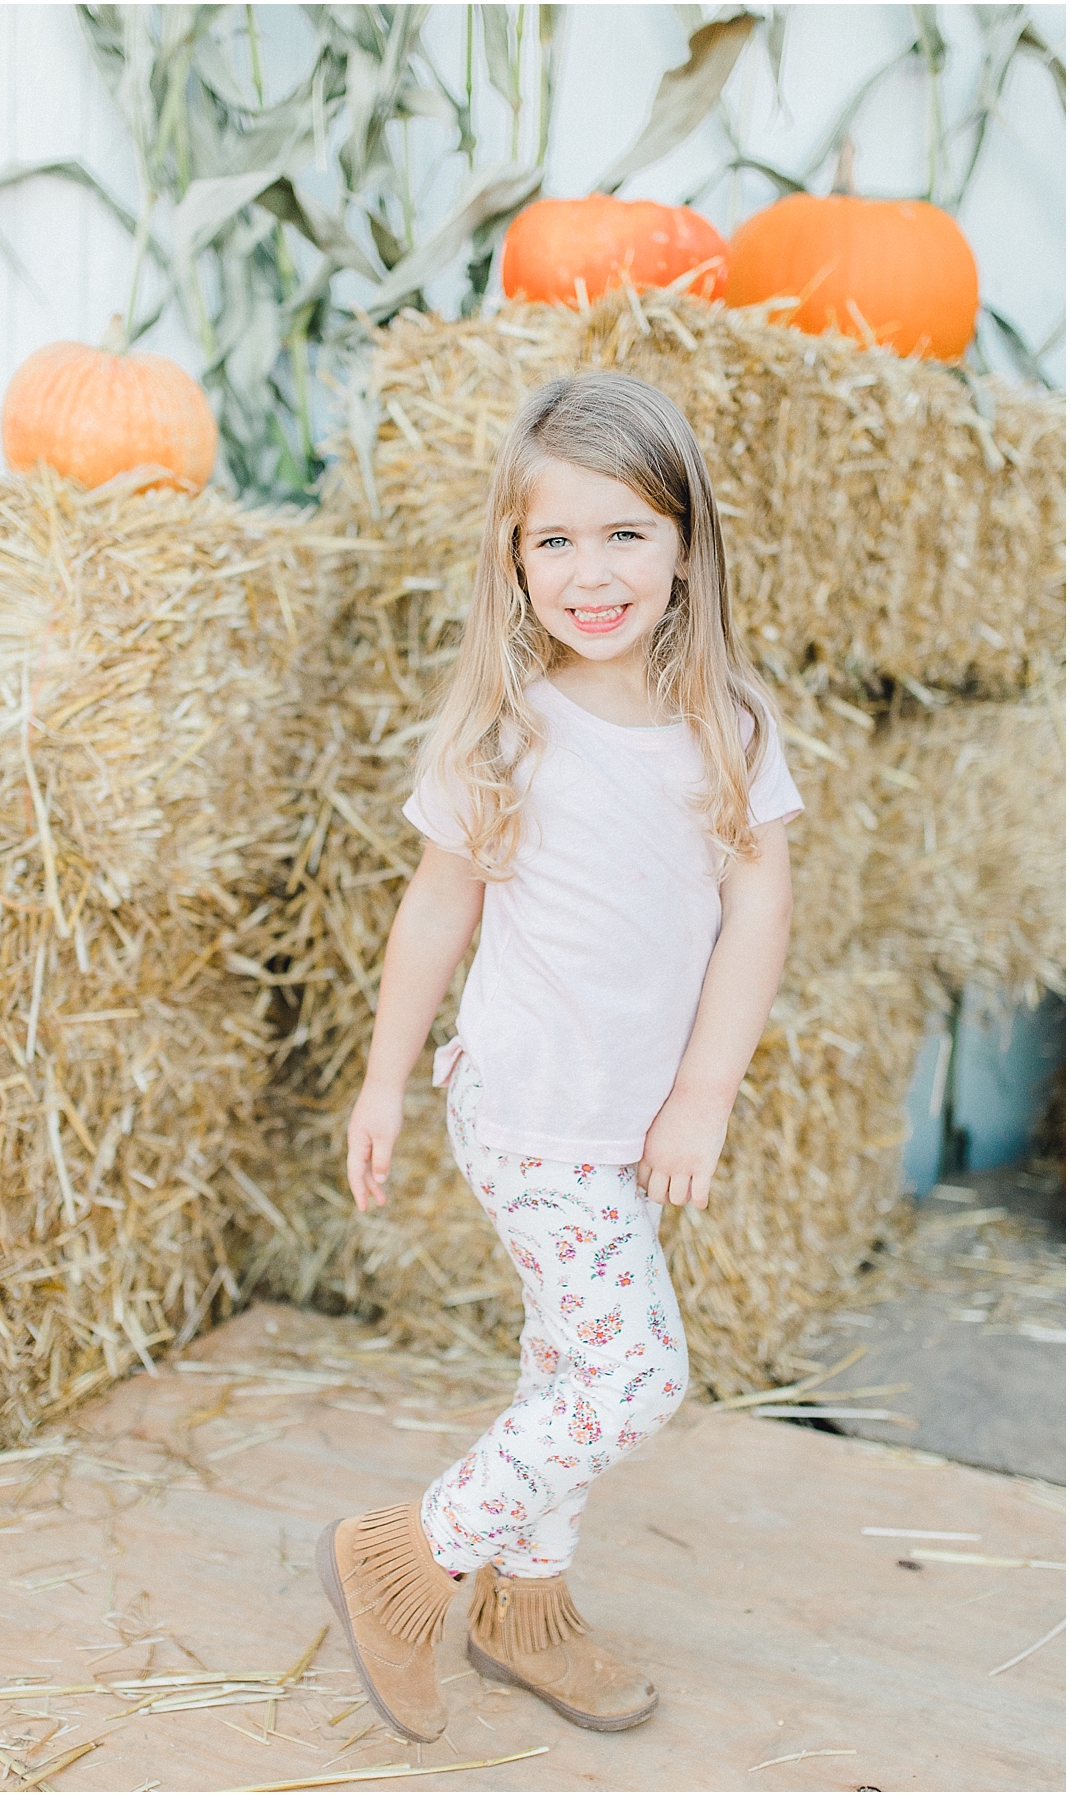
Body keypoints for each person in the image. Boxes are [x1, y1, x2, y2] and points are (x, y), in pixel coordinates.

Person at [315, 372, 802, 1743]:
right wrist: (379, 1078)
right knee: (634, 1373)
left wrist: (704, 1094)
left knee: (566, 1365)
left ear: (687, 545)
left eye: (626, 533)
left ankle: (528, 1608)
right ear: (513, 560)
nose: (591, 572)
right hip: (528, 1109)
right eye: (555, 541)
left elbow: (760, 909)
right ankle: (409, 1555)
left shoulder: (732, 725)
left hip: (635, 1118)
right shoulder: (511, 732)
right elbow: (435, 910)